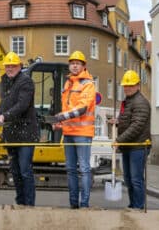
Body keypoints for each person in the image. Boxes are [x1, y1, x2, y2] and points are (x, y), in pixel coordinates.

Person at [0, 52, 38, 206]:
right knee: (16, 172)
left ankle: (29, 205)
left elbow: (22, 105)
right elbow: (5, 102)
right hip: (11, 134)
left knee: (25, 171)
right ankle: (20, 202)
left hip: (25, 133)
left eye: (13, 66)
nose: (9, 68)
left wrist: (4, 116)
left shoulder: (26, 82)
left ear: (20, 66)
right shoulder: (5, 81)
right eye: (7, 66)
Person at [52, 50, 96, 209]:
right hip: (69, 133)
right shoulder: (68, 83)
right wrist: (61, 124)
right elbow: (69, 109)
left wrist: (61, 117)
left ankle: (84, 205)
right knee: (70, 170)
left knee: (84, 169)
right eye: (72, 63)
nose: (75, 65)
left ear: (84, 66)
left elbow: (82, 109)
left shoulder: (88, 84)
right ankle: (73, 204)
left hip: (83, 134)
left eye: (78, 63)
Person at [110, 70, 151, 210]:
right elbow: (129, 120)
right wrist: (118, 121)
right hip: (128, 146)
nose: (127, 88)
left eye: (131, 85)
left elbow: (136, 126)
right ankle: (133, 205)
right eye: (125, 86)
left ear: (138, 85)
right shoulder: (129, 101)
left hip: (138, 146)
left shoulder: (141, 102)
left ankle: (138, 207)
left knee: (136, 179)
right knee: (128, 179)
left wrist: (118, 140)